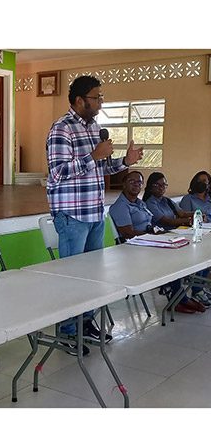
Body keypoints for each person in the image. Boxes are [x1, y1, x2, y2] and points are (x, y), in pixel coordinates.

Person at [46, 75, 143, 353]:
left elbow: (99, 168)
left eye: (101, 97)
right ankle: (67, 332)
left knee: (91, 277)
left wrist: (125, 161)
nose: (101, 102)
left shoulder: (93, 127)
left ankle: (85, 323)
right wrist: (93, 156)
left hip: (94, 213)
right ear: (79, 100)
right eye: (96, 98)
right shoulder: (61, 130)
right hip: (73, 216)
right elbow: (57, 173)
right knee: (73, 278)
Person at [109, 171, 205, 313]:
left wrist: (156, 233)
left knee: (185, 250)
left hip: (149, 241)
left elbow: (150, 222)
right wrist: (151, 234)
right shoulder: (120, 206)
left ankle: (180, 295)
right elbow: (127, 233)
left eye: (139, 182)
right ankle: (178, 298)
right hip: (134, 249)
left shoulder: (139, 203)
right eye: (132, 181)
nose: (136, 185)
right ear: (123, 183)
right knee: (173, 259)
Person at [142, 172, 211, 307]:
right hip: (163, 239)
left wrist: (198, 213)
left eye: (164, 185)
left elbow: (181, 213)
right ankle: (183, 293)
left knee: (204, 251)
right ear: (150, 186)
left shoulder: (166, 201)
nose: (161, 188)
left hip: (175, 235)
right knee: (196, 254)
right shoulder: (150, 203)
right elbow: (168, 221)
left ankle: (196, 289)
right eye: (158, 185)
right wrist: (189, 221)